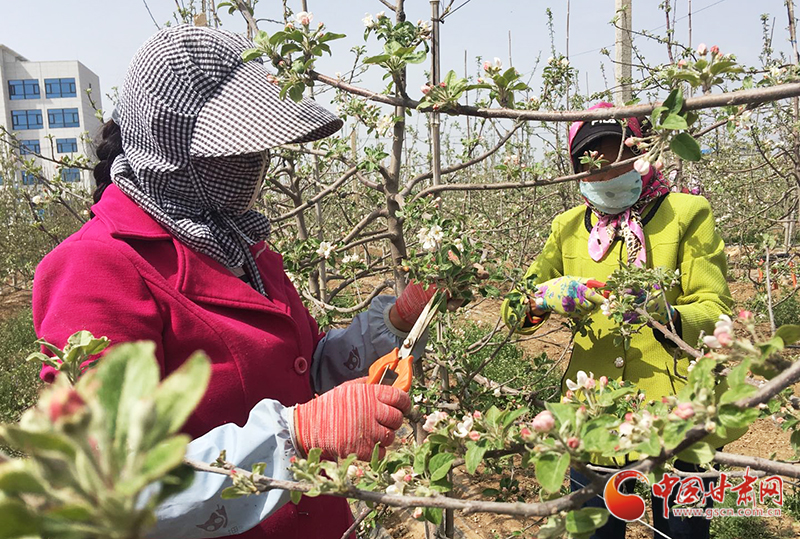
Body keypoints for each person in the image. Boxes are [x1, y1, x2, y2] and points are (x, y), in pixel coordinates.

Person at [33, 25, 438, 539]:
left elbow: (305, 369)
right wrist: (294, 436)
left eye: (260, 145)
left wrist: (393, 323)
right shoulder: (95, 269)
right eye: (236, 149)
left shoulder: (238, 243)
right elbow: (111, 487)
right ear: (168, 149)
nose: (257, 162)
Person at [501, 102, 736, 539]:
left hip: (677, 413)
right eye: (592, 165)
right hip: (593, 416)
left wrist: (664, 314)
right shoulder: (567, 227)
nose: (606, 174)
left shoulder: (687, 213)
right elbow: (513, 310)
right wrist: (543, 298)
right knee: (594, 530)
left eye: (619, 159)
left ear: (644, 153)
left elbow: (716, 310)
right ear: (576, 171)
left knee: (683, 532)